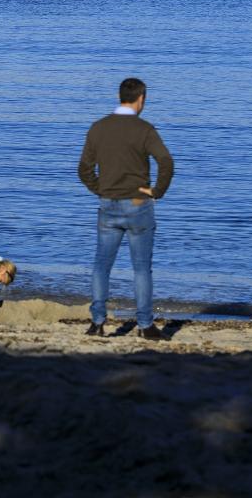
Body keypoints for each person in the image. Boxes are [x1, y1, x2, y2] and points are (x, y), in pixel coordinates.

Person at [78, 78, 174, 341]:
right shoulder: (143, 129)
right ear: (141, 99)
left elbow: (83, 169)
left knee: (102, 266)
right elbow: (166, 161)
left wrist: (100, 188)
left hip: (108, 203)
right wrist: (157, 191)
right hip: (138, 204)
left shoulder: (99, 128)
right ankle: (145, 325)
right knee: (141, 268)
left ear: (120, 96)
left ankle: (97, 322)